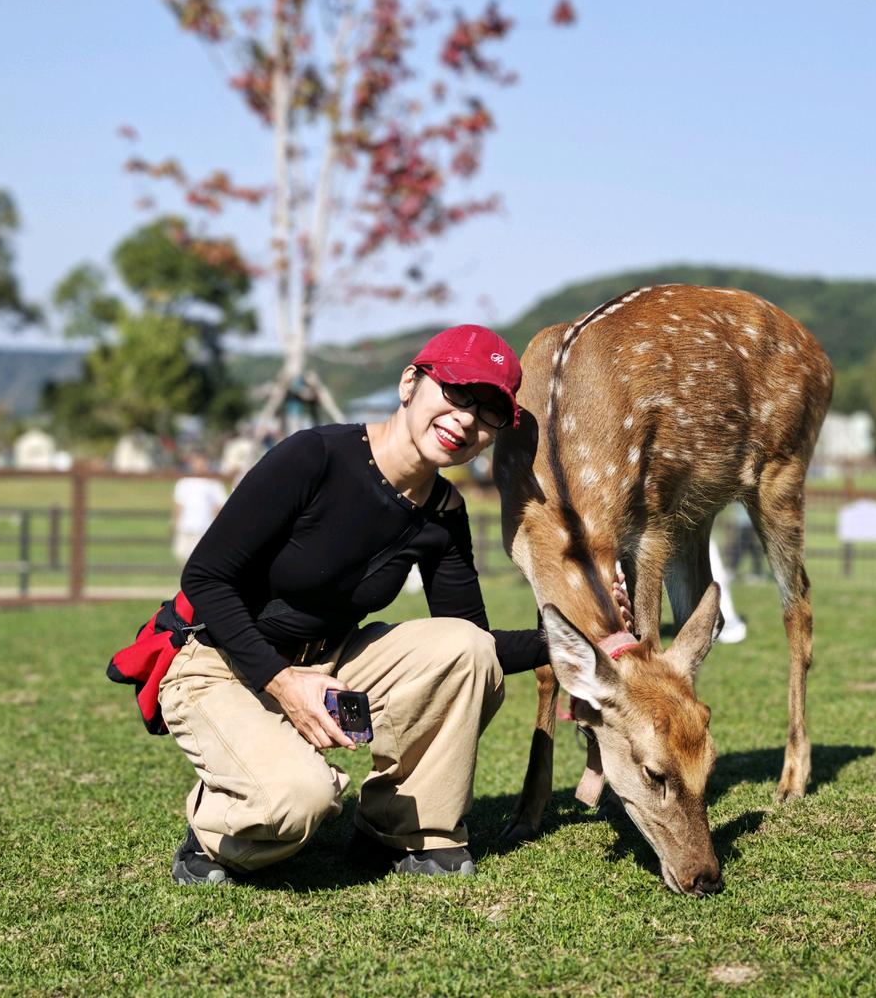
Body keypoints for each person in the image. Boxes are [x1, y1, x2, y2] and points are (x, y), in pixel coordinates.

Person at [159, 325, 632, 887]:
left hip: (331, 663)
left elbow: (475, 645)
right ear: (411, 381)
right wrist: (285, 683)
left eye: (489, 414)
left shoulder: (443, 513)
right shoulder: (314, 457)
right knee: (298, 802)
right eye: (457, 393)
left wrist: (587, 641)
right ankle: (212, 832)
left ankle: (404, 829)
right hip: (222, 661)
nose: (466, 420)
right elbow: (207, 578)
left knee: (466, 650)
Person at [171, 453, 228, 565]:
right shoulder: (183, 483)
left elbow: (219, 507)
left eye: (202, 463)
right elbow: (178, 505)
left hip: (204, 527)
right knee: (182, 556)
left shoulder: (214, 484)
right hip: (186, 526)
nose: (199, 466)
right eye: (196, 462)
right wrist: (174, 523)